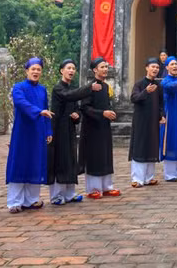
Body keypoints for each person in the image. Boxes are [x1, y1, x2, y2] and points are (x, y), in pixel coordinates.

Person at [48, 59, 101, 205]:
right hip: (58, 129)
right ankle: (56, 195)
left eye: (73, 68)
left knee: (70, 160)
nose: (71, 71)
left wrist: (77, 115)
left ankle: (69, 193)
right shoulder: (58, 88)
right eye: (68, 68)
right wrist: (90, 87)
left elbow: (75, 106)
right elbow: (69, 96)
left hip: (69, 129)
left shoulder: (71, 89)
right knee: (60, 160)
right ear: (61, 71)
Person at [6, 57, 53, 213]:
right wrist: (38, 111)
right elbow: (21, 103)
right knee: (20, 163)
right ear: (27, 70)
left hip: (38, 131)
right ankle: (15, 202)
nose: (36, 72)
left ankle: (31, 200)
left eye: (38, 69)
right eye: (33, 69)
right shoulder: (18, 88)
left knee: (35, 162)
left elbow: (46, 110)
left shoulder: (42, 90)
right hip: (22, 131)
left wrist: (48, 130)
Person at [79, 57, 120, 199]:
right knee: (94, 156)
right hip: (92, 128)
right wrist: (102, 113)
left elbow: (106, 105)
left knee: (105, 155)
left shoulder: (107, 87)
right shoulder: (90, 87)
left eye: (107, 67)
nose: (105, 69)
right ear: (95, 70)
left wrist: (110, 112)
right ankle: (93, 189)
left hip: (104, 126)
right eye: (102, 67)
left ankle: (107, 186)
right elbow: (84, 108)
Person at [129, 58, 164, 188]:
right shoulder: (139, 84)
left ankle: (149, 177)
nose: (155, 69)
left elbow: (161, 103)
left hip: (153, 120)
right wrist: (146, 92)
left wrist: (162, 115)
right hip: (141, 121)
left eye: (157, 67)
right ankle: (137, 178)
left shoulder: (158, 86)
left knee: (151, 147)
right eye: (153, 67)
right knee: (140, 147)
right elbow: (134, 98)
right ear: (146, 68)